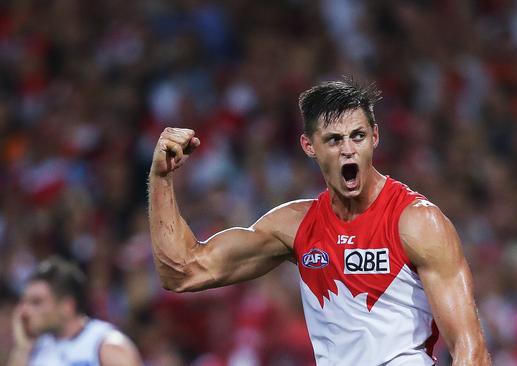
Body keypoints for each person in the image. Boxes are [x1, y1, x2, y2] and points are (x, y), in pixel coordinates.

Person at [148, 79, 491, 365]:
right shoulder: (294, 226)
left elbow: (470, 348)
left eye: (357, 136)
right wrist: (162, 177)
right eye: (334, 140)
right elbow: (183, 270)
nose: (348, 150)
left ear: (375, 136)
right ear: (308, 146)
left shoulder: (417, 221)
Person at [7, 256, 142, 366]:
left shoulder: (105, 345)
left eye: (36, 302)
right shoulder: (35, 349)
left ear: (67, 306)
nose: (24, 311)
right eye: (24, 302)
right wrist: (23, 347)